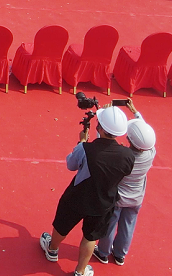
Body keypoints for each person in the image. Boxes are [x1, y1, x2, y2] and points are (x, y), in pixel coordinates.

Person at [39, 106, 135, 276]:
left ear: (100, 128)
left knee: (62, 225)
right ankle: (80, 271)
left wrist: (81, 142)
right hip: (104, 203)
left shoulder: (85, 149)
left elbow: (71, 165)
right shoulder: (128, 155)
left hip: (77, 197)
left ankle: (52, 249)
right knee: (91, 237)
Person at [95, 103, 155, 267]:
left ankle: (103, 252)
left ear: (129, 139)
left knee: (109, 225)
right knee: (128, 227)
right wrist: (136, 112)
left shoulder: (124, 157)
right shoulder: (151, 153)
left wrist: (104, 117)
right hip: (136, 198)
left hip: (118, 198)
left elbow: (103, 144)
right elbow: (145, 135)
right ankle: (120, 254)